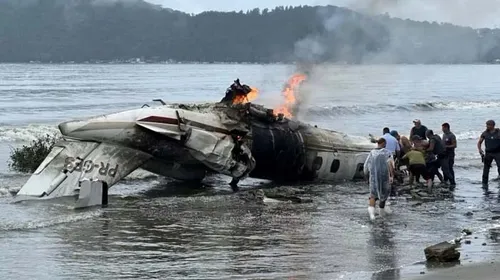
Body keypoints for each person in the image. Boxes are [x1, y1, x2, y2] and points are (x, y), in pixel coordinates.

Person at [364, 138, 395, 221]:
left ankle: (372, 216)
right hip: (385, 177)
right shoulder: (387, 152)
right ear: (384, 143)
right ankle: (381, 214)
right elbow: (391, 165)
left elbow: (366, 167)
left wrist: (366, 177)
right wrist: (392, 176)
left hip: (373, 178)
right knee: (383, 196)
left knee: (373, 196)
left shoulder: (372, 153)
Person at [477, 120, 500, 186]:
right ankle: (484, 183)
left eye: (488, 125)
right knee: (486, 169)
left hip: (497, 153)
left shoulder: (498, 132)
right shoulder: (485, 133)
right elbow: (479, 142)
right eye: (486, 125)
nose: (487, 126)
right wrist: (480, 149)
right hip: (488, 153)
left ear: (493, 125)